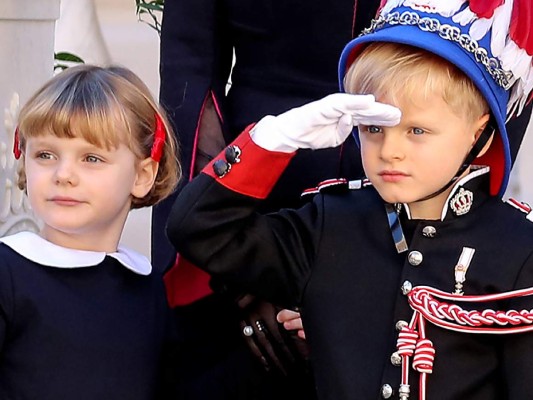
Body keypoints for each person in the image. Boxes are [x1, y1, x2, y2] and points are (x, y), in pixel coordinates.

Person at [166, 0, 533, 399]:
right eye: (373, 128)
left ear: (480, 133)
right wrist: (274, 138)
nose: (390, 150)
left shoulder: (517, 250)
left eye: (418, 131)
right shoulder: (330, 224)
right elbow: (196, 227)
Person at [154, 1, 384, 399]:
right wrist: (240, 272)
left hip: (398, 206)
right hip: (248, 198)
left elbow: (495, 88)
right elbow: (191, 81)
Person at [0, 64, 180, 400]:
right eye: (45, 154)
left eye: (91, 158)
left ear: (142, 176)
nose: (63, 174)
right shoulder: (7, 273)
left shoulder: (149, 288)